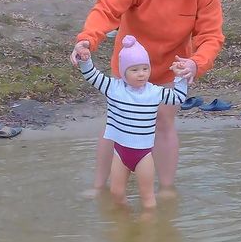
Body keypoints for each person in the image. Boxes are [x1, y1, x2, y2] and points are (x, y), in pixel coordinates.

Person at [70, 0, 225, 193]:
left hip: (172, 68)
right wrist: (87, 39)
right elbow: (106, 10)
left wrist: (196, 63)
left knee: (164, 123)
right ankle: (99, 187)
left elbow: (211, 37)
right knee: (116, 123)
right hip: (129, 67)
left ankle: (165, 190)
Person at [76, 35, 187, 209]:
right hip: (120, 153)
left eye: (145, 68)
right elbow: (92, 76)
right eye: (134, 70)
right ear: (123, 72)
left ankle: (147, 227)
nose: (141, 74)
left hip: (143, 155)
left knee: (147, 198)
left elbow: (178, 97)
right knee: (116, 193)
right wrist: (85, 59)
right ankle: (124, 221)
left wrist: (180, 77)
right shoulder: (113, 88)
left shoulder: (155, 92)